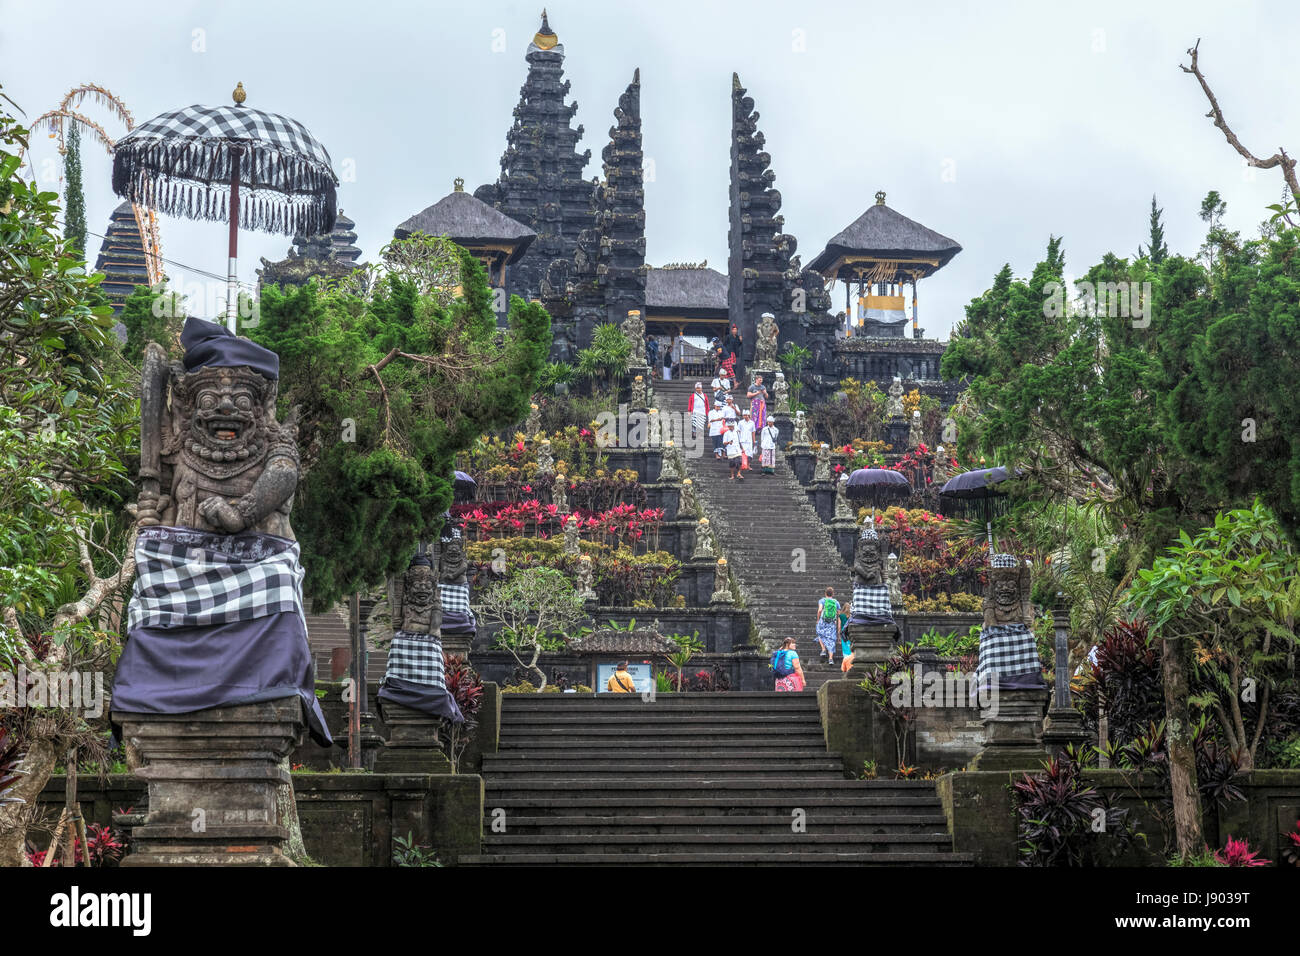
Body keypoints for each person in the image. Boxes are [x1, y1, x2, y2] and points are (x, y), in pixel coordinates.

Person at [815, 587, 841, 664]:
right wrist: (838, 625)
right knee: (831, 639)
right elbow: (839, 614)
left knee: (820, 633)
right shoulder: (836, 602)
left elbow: (820, 610)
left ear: (825, 593)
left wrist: (818, 619)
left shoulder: (822, 600)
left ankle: (823, 650)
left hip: (823, 621)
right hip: (832, 623)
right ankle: (830, 659)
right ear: (833, 594)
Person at [736, 408, 755, 472]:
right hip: (742, 440)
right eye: (744, 415)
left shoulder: (752, 423)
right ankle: (743, 465)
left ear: (749, 415)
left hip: (749, 441)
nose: (745, 416)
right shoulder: (740, 422)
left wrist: (754, 440)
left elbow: (753, 432)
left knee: (750, 454)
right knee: (743, 454)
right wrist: (738, 440)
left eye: (746, 415)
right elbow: (738, 431)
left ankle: (748, 465)